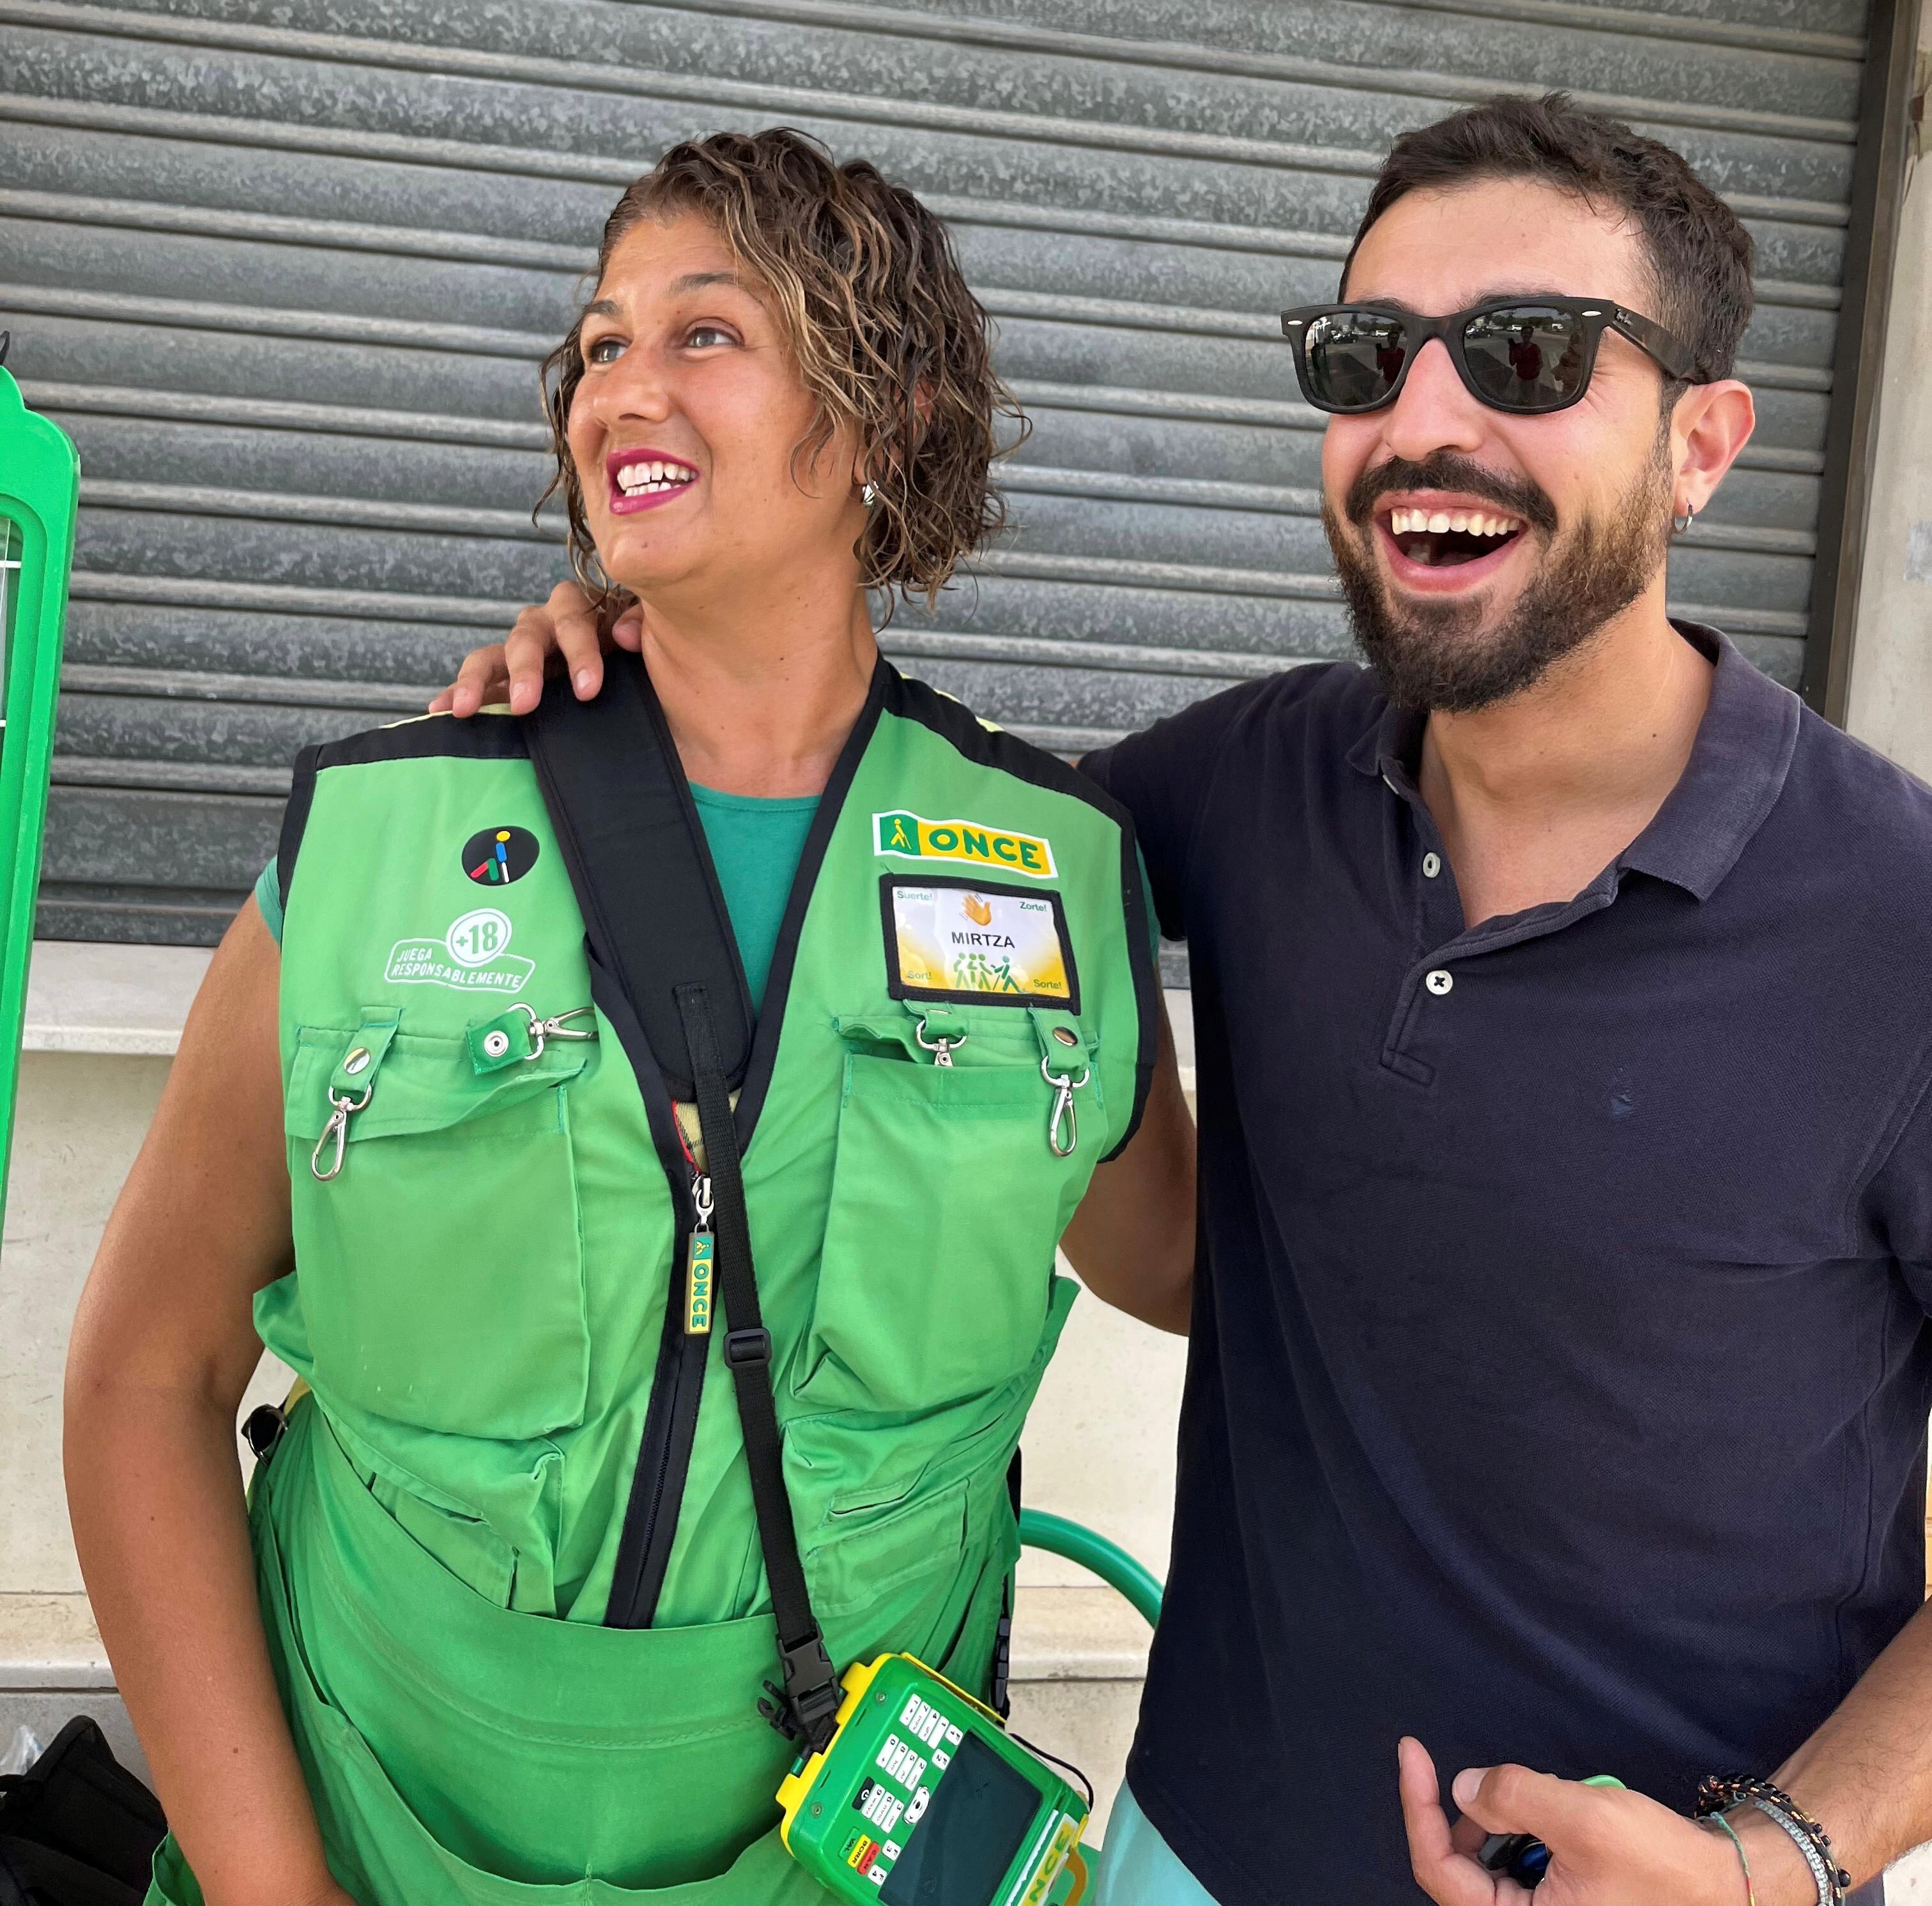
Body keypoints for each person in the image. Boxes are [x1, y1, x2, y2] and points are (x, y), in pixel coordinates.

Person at [463, 95, 1932, 1905]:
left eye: (1529, 356)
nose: (1427, 425)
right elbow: (883, 823)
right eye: (1368, 359)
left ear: (1704, 443)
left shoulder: (1897, 924)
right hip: (1192, 1854)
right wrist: (634, 638)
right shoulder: (1256, 783)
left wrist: (1770, 1861)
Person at [63, 128, 1195, 1906]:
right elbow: (146, 1373)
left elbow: (1212, 1271)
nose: (619, 392)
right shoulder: (383, 838)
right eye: (599, 345)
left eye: (704, 336)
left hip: (831, 1848)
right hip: (372, 1814)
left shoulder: (1055, 870)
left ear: (886, 418)